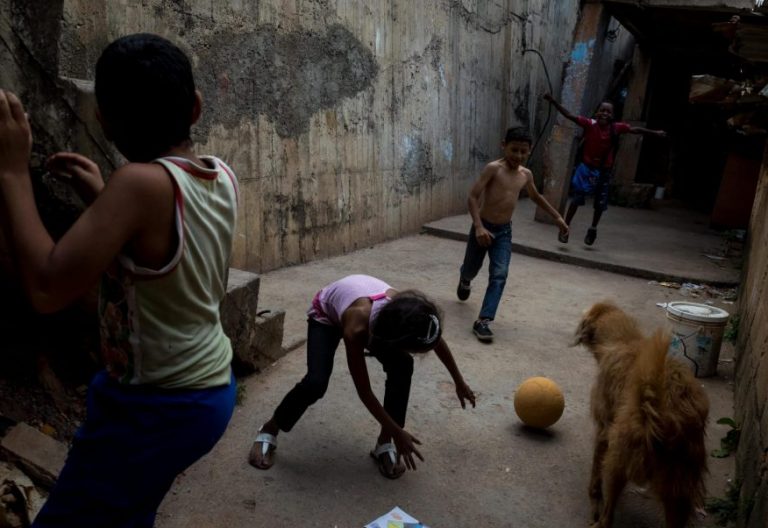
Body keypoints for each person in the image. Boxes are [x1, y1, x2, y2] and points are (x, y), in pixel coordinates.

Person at [0, 34, 239, 527]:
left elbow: (47, 287)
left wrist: (12, 171)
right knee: (128, 507)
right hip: (208, 389)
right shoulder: (218, 174)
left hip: (157, 408)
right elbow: (162, 248)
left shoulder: (136, 185)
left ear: (103, 119)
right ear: (194, 108)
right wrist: (99, 196)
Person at [248, 274, 476, 479]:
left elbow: (435, 339)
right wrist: (399, 431)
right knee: (316, 382)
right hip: (327, 316)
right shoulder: (356, 328)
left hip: (372, 317)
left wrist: (459, 380)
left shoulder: (411, 314)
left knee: (402, 365)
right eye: (414, 349)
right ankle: (269, 430)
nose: (417, 354)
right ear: (398, 341)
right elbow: (364, 392)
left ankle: (383, 445)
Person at [456, 127, 568, 343]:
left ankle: (484, 321)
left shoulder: (526, 175)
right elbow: (472, 197)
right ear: (504, 146)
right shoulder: (493, 169)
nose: (518, 156)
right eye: (514, 150)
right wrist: (478, 226)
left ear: (529, 152)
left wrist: (558, 218)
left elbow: (536, 196)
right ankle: (465, 279)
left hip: (504, 232)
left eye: (523, 152)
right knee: (472, 267)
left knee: (500, 274)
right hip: (483, 228)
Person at [543, 93, 667, 246]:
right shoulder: (589, 124)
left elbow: (635, 130)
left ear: (612, 115)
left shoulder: (616, 128)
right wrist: (553, 101)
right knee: (576, 199)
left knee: (600, 204)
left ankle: (593, 229)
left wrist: (655, 133)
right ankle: (565, 228)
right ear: (597, 112)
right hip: (586, 169)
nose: (605, 114)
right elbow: (569, 115)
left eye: (608, 112)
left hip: (603, 171)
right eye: (602, 110)